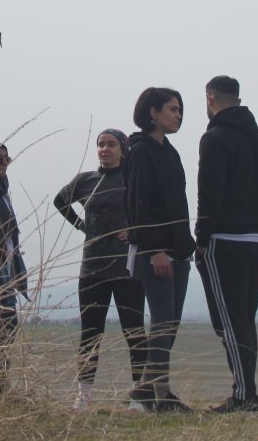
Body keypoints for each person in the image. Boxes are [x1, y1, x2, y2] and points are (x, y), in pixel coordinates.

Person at [195, 76, 258, 414]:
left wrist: (201, 238)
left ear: (210, 98)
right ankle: (246, 391)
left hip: (226, 239)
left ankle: (245, 396)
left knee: (229, 322)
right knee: (243, 319)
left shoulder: (214, 138)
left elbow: (209, 192)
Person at [54, 129, 148, 411]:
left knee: (134, 331)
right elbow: (60, 201)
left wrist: (136, 230)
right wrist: (82, 226)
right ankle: (84, 396)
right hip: (93, 267)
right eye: (100, 144)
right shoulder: (86, 181)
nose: (105, 149)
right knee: (90, 333)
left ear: (123, 148)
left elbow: (150, 209)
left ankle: (139, 396)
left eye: (111, 144)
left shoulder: (133, 179)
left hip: (127, 268)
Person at [125, 87, 196, 413]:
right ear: (152, 112)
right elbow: (140, 202)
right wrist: (154, 249)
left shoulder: (170, 152)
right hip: (156, 252)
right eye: (172, 109)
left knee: (171, 323)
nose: (178, 115)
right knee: (163, 321)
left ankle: (145, 390)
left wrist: (186, 244)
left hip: (178, 251)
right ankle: (160, 395)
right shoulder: (140, 151)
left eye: (180, 110)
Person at [0, 140, 30, 385]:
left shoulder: (2, 190)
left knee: (7, 329)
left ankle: (0, 383)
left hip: (8, 272)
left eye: (6, 159)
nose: (3, 164)